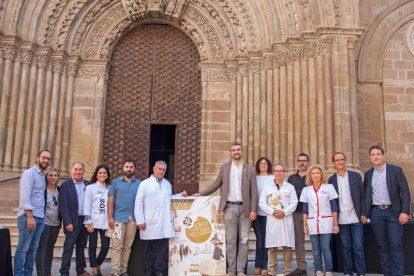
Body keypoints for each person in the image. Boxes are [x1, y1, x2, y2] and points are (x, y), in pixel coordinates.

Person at [195, 142, 257, 276]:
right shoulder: (225, 168)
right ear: (230, 152)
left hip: (245, 208)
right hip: (229, 207)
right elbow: (217, 183)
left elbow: (254, 191)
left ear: (241, 151)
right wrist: (201, 193)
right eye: (234, 150)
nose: (236, 152)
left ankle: (240, 270)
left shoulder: (250, 169)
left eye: (238, 150)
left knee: (244, 240)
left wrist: (253, 210)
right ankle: (231, 270)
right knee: (230, 240)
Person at [364, 144, 411, 276]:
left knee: (396, 244)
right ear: (370, 157)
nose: (376, 157)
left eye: (378, 154)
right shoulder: (368, 174)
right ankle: (387, 273)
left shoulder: (395, 170)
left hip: (393, 212)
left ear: (383, 156)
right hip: (376, 213)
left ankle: (397, 274)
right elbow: (366, 196)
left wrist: (405, 211)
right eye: (373, 155)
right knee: (383, 246)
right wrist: (365, 213)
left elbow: (405, 192)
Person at [135, 160, 187, 276]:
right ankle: (148, 272)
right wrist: (140, 220)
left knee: (161, 250)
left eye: (163, 170)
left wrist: (180, 196)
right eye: (159, 169)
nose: (161, 172)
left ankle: (159, 271)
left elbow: (170, 199)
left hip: (163, 224)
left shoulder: (167, 184)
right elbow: (138, 203)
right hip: (148, 223)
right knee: (148, 250)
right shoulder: (144, 184)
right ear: (154, 169)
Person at [328, 152, 366, 276]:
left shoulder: (356, 176)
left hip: (356, 217)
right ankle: (348, 272)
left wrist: (364, 213)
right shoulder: (331, 179)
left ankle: (361, 272)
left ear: (345, 161)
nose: (340, 161)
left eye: (342, 159)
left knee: (358, 247)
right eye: (337, 160)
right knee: (346, 247)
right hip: (342, 218)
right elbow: (332, 200)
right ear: (334, 163)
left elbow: (362, 196)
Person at [14, 149, 51, 276]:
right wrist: (29, 216)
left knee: (32, 249)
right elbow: (25, 196)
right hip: (29, 217)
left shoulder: (41, 176)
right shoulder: (29, 173)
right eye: (44, 158)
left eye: (48, 159)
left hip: (40, 218)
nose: (46, 161)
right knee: (23, 248)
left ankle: (28, 273)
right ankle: (19, 274)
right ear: (37, 158)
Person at [300, 164, 339, 276]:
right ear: (310, 176)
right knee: (315, 249)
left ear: (321, 174)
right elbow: (305, 209)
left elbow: (334, 207)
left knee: (325, 247)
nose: (315, 175)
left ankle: (329, 270)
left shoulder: (329, 187)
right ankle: (318, 269)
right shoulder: (306, 190)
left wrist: (335, 224)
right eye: (313, 173)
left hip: (326, 222)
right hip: (312, 222)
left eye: (317, 173)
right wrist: (305, 225)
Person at [260, 164, 298, 276]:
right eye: (276, 171)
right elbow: (262, 203)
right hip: (273, 220)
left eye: (281, 171)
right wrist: (272, 212)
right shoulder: (267, 188)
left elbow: (294, 202)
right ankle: (272, 271)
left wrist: (284, 212)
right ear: (273, 172)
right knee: (272, 247)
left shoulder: (290, 187)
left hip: (286, 219)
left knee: (287, 247)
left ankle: (287, 271)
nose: (278, 173)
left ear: (284, 172)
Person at [108, 159, 140, 276]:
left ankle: (123, 270)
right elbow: (111, 201)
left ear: (134, 169)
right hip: (118, 219)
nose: (129, 169)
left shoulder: (139, 184)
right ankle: (115, 271)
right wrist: (110, 218)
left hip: (132, 219)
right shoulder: (115, 182)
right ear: (123, 168)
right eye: (126, 167)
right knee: (116, 246)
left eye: (131, 167)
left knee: (127, 246)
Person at [59, 162, 90, 276]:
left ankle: (80, 270)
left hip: (84, 221)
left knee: (81, 247)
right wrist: (67, 222)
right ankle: (64, 272)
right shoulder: (65, 185)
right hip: (72, 221)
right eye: (76, 169)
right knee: (68, 247)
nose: (78, 172)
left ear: (83, 171)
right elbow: (63, 205)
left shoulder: (87, 184)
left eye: (80, 169)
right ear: (71, 171)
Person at [84, 165, 111, 276]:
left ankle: (98, 264)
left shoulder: (110, 188)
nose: (102, 175)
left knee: (105, 246)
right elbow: (87, 205)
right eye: (100, 173)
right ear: (96, 174)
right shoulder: (90, 188)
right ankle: (94, 268)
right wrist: (88, 222)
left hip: (106, 222)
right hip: (93, 222)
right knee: (92, 246)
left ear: (107, 175)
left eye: (104, 173)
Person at [35, 168, 61, 276]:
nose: (53, 177)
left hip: (56, 223)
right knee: (42, 248)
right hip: (44, 222)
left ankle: (47, 272)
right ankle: (41, 273)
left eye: (55, 175)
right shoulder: (43, 189)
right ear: (46, 177)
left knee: (50, 248)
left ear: (58, 177)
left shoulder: (60, 190)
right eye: (50, 175)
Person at [287, 153, 309, 275]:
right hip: (297, 213)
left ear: (308, 162)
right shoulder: (291, 178)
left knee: (319, 242)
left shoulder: (313, 175)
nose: (302, 163)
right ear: (296, 162)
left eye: (304, 161)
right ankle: (302, 267)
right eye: (300, 160)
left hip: (312, 213)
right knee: (299, 241)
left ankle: (321, 268)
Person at [252, 157, 274, 275]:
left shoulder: (272, 178)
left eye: (265, 163)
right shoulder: (254, 177)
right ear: (258, 165)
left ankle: (264, 266)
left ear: (268, 165)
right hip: (255, 212)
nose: (263, 165)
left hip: (268, 213)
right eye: (261, 163)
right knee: (260, 239)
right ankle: (258, 264)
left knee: (265, 240)